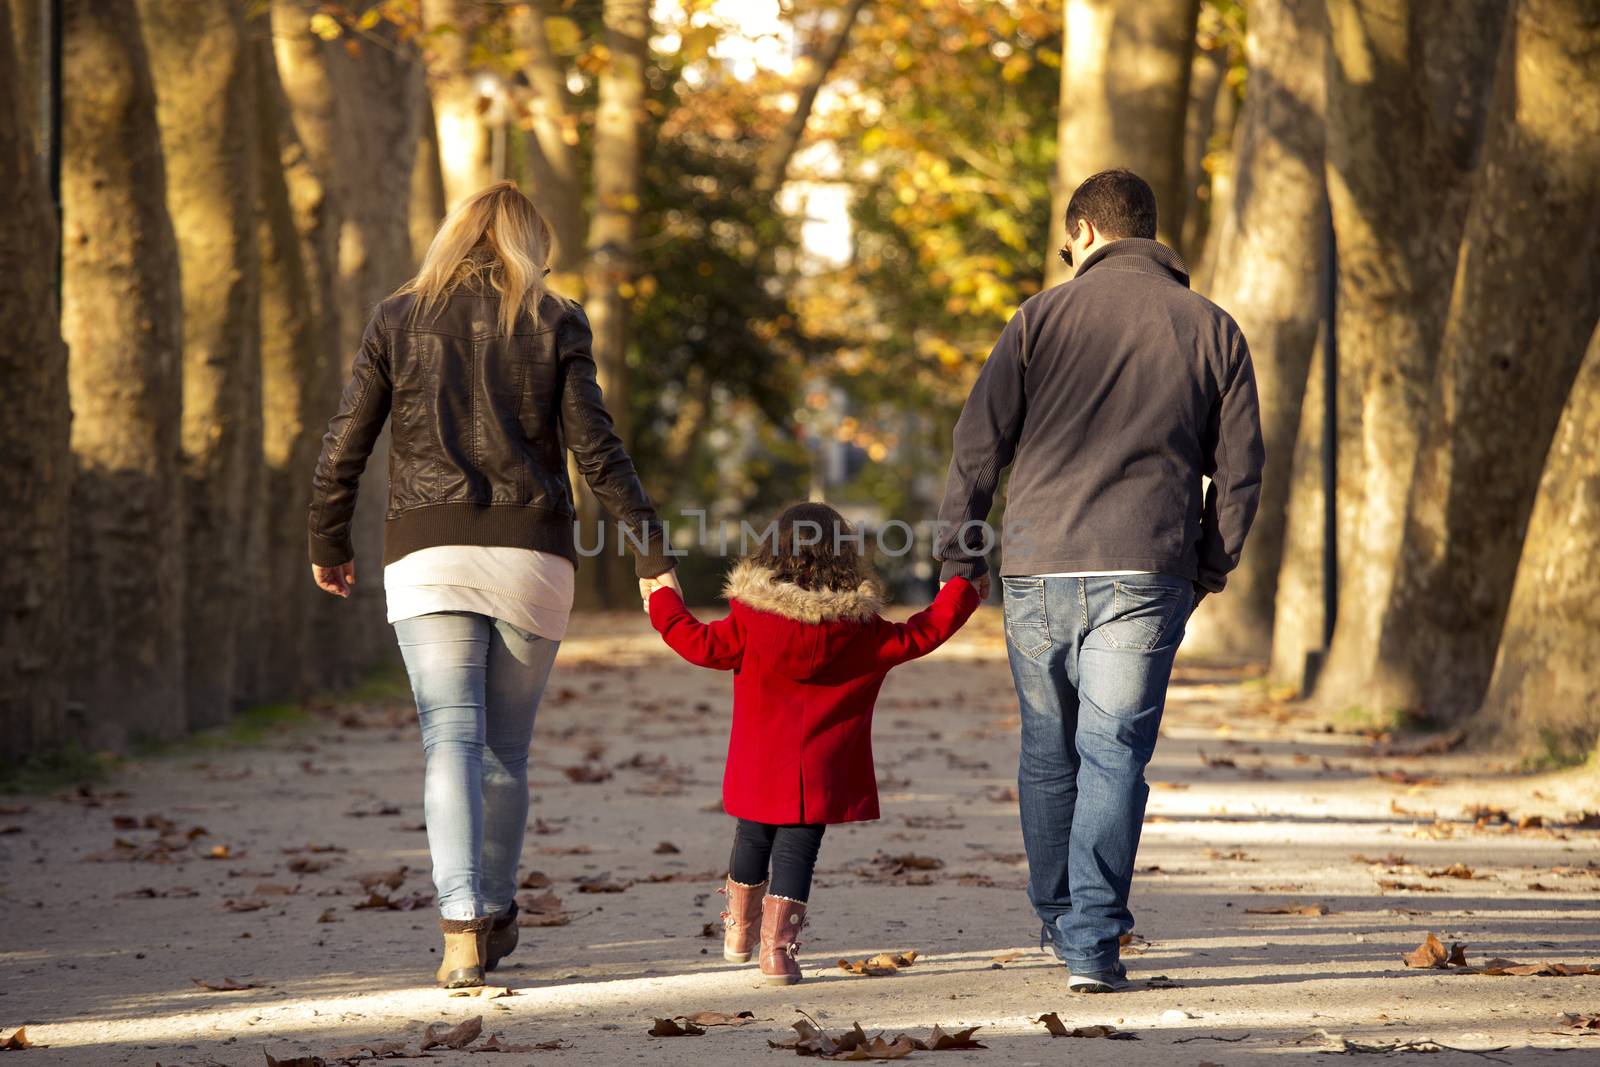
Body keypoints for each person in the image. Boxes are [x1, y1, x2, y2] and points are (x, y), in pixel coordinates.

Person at [307, 181, 678, 989]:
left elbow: (346, 441)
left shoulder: (396, 317)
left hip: (427, 553)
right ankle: (499, 908)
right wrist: (652, 552)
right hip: (530, 554)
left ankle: (461, 924)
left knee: (449, 737)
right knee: (505, 748)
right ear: (531, 244)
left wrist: (326, 537)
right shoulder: (554, 317)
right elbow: (597, 448)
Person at [933, 168, 1264, 993]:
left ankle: (1057, 918)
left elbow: (979, 446)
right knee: (1114, 754)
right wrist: (1208, 561)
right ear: (1149, 232)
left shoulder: (1036, 320)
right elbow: (1243, 470)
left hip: (1039, 561)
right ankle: (1090, 941)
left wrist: (959, 557)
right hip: (1146, 562)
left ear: (1082, 231)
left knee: (1048, 751)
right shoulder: (1212, 328)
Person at [642, 502, 979, 985]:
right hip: (822, 768)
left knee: (752, 836)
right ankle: (777, 954)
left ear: (770, 554)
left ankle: (738, 933)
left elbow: (697, 643)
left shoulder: (750, 621)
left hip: (759, 763)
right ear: (846, 558)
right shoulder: (861, 630)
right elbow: (922, 633)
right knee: (799, 852)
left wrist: (661, 598)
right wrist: (961, 590)